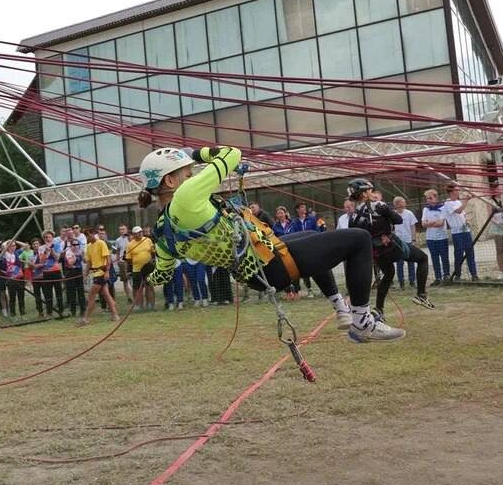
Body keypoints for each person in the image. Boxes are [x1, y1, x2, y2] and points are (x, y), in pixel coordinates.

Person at [138, 146, 404, 343]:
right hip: (270, 264)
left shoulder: (162, 232)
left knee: (311, 236)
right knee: (358, 239)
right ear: (170, 181)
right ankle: (362, 322)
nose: (193, 175)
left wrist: (147, 279)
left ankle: (341, 309)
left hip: (256, 269)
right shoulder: (185, 195)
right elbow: (231, 153)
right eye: (187, 173)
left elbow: (163, 272)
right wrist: (194, 154)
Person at [349, 181, 434, 318]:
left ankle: (379, 309)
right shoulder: (379, 206)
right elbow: (398, 220)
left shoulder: (354, 216)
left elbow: (355, 236)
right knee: (422, 258)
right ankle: (421, 295)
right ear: (364, 193)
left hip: (376, 253)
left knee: (388, 274)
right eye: (370, 191)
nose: (372, 193)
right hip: (392, 246)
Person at [79, 229, 118, 325]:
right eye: (86, 236)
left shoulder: (101, 243)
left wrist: (107, 272)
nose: (87, 237)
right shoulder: (89, 246)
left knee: (91, 295)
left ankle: (86, 318)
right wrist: (85, 274)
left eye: (88, 235)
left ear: (93, 234)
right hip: (95, 272)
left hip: (101, 272)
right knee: (106, 295)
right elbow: (89, 262)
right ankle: (115, 315)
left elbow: (108, 258)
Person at [443, 183, 478, 281]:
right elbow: (458, 211)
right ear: (451, 192)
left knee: (470, 253)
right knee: (459, 254)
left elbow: (462, 214)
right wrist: (466, 201)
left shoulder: (458, 202)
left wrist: (467, 221)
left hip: (466, 231)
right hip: (457, 233)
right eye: (456, 190)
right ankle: (457, 275)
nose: (458, 192)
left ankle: (474, 274)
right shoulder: (447, 203)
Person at [421, 189, 450, 285]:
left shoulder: (443, 208)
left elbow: (440, 223)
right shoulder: (425, 209)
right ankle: (438, 277)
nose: (428, 200)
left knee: (444, 257)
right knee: (434, 258)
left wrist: (429, 223)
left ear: (436, 198)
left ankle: (446, 275)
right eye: (427, 198)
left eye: (430, 198)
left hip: (441, 237)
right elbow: (423, 224)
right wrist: (433, 222)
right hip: (430, 238)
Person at [125, 226, 155, 310]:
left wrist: (152, 261)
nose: (140, 233)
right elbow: (128, 259)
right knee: (138, 288)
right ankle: (139, 305)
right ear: (134, 234)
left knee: (149, 286)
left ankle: (150, 305)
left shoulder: (148, 240)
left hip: (148, 268)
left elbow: (153, 252)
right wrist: (135, 263)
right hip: (136, 269)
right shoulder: (130, 245)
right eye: (138, 232)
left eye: (141, 231)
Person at [392, 196, 418, 290]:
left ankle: (412, 281)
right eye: (402, 203)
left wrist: (414, 239)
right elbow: (391, 229)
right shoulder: (392, 215)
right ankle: (401, 282)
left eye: (404, 202)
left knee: (411, 262)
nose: (404, 204)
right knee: (399, 263)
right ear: (396, 204)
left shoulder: (409, 213)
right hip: (397, 242)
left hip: (408, 241)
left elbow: (413, 227)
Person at [1, 240, 27, 318]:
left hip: (20, 278)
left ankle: (22, 314)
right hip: (11, 279)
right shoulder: (5, 254)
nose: (13, 247)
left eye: (14, 245)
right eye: (11, 246)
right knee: (12, 298)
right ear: (8, 247)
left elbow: (25, 246)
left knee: (21, 297)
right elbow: (3, 245)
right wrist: (9, 241)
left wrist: (15, 240)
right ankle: (13, 315)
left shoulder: (17, 252)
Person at [60, 239, 86, 316]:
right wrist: (75, 256)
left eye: (77, 244)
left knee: (81, 291)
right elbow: (70, 263)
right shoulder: (68, 252)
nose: (76, 246)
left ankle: (83, 310)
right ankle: (73, 310)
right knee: (72, 292)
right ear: (70, 245)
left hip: (79, 271)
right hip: (70, 272)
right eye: (74, 245)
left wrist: (83, 255)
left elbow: (85, 261)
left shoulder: (80, 251)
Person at [488, 203, 503, 280]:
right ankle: (501, 271)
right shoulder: (489, 201)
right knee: (499, 249)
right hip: (497, 227)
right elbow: (490, 216)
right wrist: (498, 223)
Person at [114, 225, 132, 302]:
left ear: (127, 230)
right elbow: (117, 251)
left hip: (131, 260)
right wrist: (118, 260)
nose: (122, 231)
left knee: (133, 278)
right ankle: (129, 297)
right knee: (125, 280)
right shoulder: (118, 240)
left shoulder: (131, 238)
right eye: (120, 229)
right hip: (123, 261)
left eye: (123, 229)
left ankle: (135, 294)